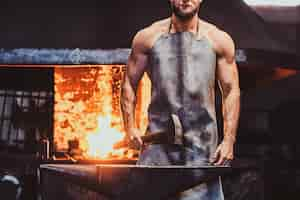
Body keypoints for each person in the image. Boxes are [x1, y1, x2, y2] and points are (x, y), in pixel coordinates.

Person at [120, 0, 240, 199]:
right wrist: (130, 127)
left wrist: (229, 140)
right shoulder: (147, 37)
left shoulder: (219, 40)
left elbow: (231, 91)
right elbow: (128, 85)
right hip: (158, 149)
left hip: (202, 150)